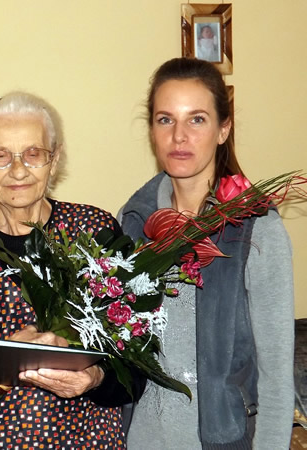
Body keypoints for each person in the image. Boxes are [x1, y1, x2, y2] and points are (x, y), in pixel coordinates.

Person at [0, 91, 146, 449]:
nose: (18, 170)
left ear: (55, 158)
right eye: (0, 156)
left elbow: (138, 361)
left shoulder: (94, 232)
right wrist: (2, 355)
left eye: (33, 154)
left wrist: (96, 377)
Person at [119, 57, 295, 449]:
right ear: (152, 130)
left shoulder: (255, 228)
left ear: (223, 129)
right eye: (165, 119)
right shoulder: (132, 221)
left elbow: (277, 378)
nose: (179, 136)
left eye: (196, 119)